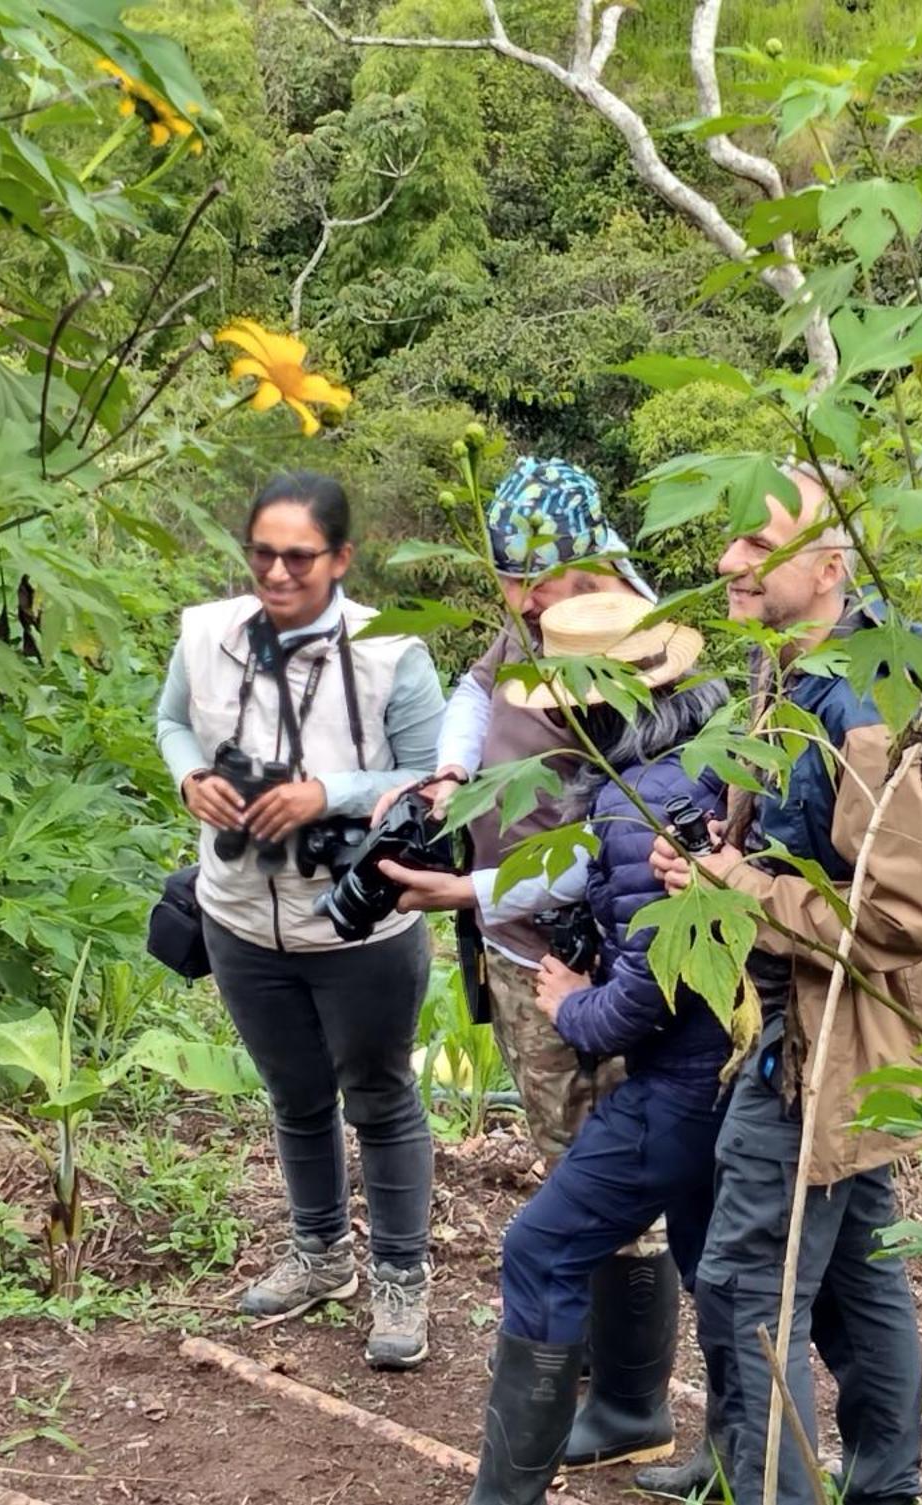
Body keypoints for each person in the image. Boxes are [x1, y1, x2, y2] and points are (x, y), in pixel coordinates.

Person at [648, 462, 922, 1505]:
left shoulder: (868, 706)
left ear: (827, 565)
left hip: (831, 1041)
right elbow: (792, 852)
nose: (725, 561)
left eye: (756, 548)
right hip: (798, 1024)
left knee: (742, 1289)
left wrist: (743, 888)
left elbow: (899, 918)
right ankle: (880, 1486)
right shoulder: (796, 669)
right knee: (856, 1274)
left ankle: (779, 1488)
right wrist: (716, 867)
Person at [375, 457, 692, 1467]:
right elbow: (478, 682)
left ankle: (633, 1394)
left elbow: (608, 852)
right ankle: (594, 1359)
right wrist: (451, 771)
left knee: (605, 1166)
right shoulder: (536, 620)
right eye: (509, 582)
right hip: (517, 946)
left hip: (589, 956)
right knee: (567, 1149)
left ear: (593, 560)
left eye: (537, 582)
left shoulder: (643, 660)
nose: (520, 602)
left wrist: (465, 892)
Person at [154, 472, 446, 1371]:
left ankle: (401, 1275)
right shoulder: (206, 635)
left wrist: (329, 793)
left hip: (359, 924)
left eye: (299, 557)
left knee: (382, 1096)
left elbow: (436, 780)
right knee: (294, 1095)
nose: (277, 573)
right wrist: (188, 776)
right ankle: (321, 1254)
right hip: (240, 913)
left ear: (341, 558)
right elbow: (171, 722)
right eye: (262, 554)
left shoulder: (393, 653)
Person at [467, 590, 733, 1505]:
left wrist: (573, 1004)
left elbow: (647, 998)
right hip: (736, 1081)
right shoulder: (713, 762)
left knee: (540, 1249)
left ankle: (506, 1495)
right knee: (718, 1275)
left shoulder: (637, 805)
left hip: (677, 1085)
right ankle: (735, 1460)